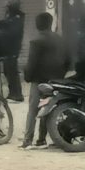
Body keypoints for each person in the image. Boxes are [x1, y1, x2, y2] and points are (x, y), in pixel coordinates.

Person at [20, 11, 68, 148]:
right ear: (50, 23)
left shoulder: (36, 41)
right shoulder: (60, 40)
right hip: (56, 81)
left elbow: (32, 63)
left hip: (39, 81)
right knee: (48, 108)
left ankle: (27, 140)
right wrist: (61, 75)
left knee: (33, 109)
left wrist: (27, 77)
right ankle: (42, 138)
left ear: (37, 25)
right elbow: (68, 60)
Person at [0, 0, 27, 101]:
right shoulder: (11, 17)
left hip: (12, 49)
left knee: (12, 72)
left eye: (8, 7)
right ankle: (13, 93)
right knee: (8, 72)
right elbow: (2, 24)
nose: (7, 9)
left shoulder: (17, 18)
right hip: (8, 49)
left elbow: (10, 31)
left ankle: (17, 95)